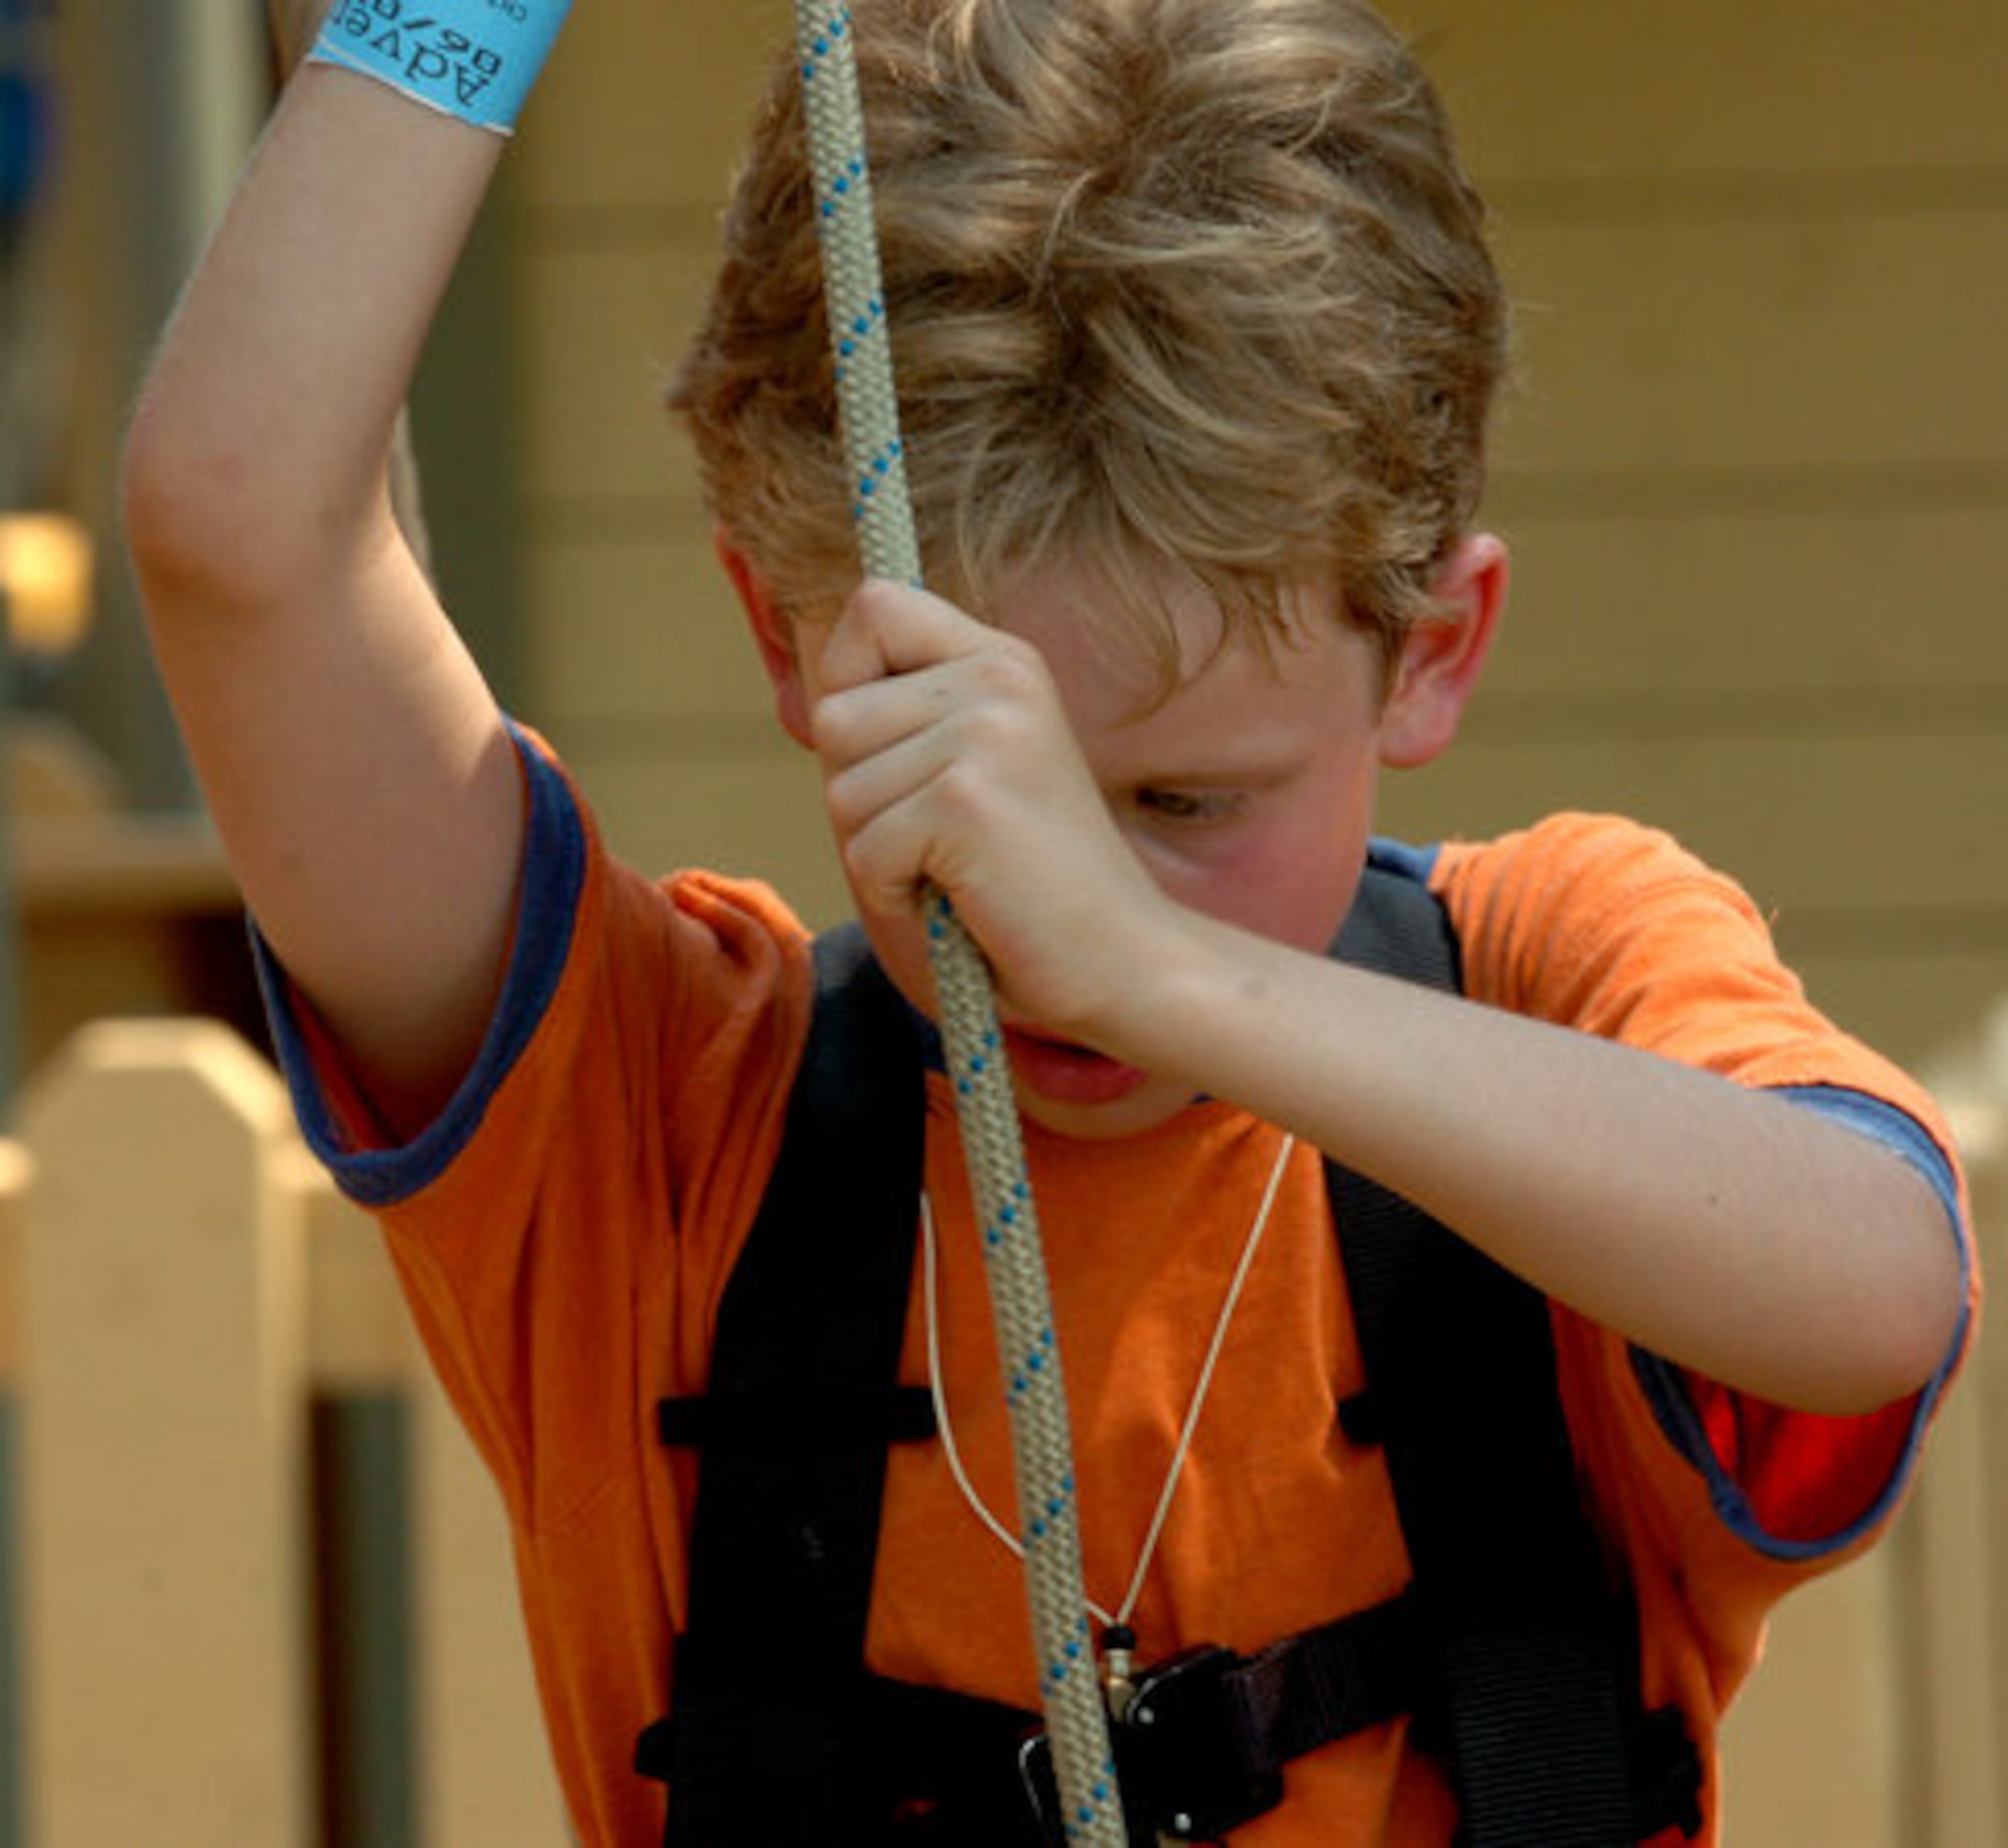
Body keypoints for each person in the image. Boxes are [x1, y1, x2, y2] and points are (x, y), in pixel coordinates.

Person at [121, 1, 1976, 1842]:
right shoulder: (657, 1119)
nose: (1044, 927)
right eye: (970, 789)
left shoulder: (1554, 976)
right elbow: (240, 525)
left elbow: (1887, 1287)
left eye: (1185, 805)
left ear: (1432, 651)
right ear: (787, 639)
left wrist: (1164, 971)